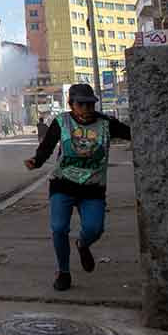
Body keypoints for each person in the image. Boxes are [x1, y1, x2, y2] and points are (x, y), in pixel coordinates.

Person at [23, 83, 131, 292]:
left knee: (94, 229)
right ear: (71, 104)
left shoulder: (106, 123)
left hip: (93, 188)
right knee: (59, 228)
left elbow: (135, 134)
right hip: (62, 185)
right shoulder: (61, 122)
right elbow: (47, 146)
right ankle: (63, 272)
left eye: (90, 104)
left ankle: (82, 245)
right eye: (81, 104)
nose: (87, 109)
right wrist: (36, 161)